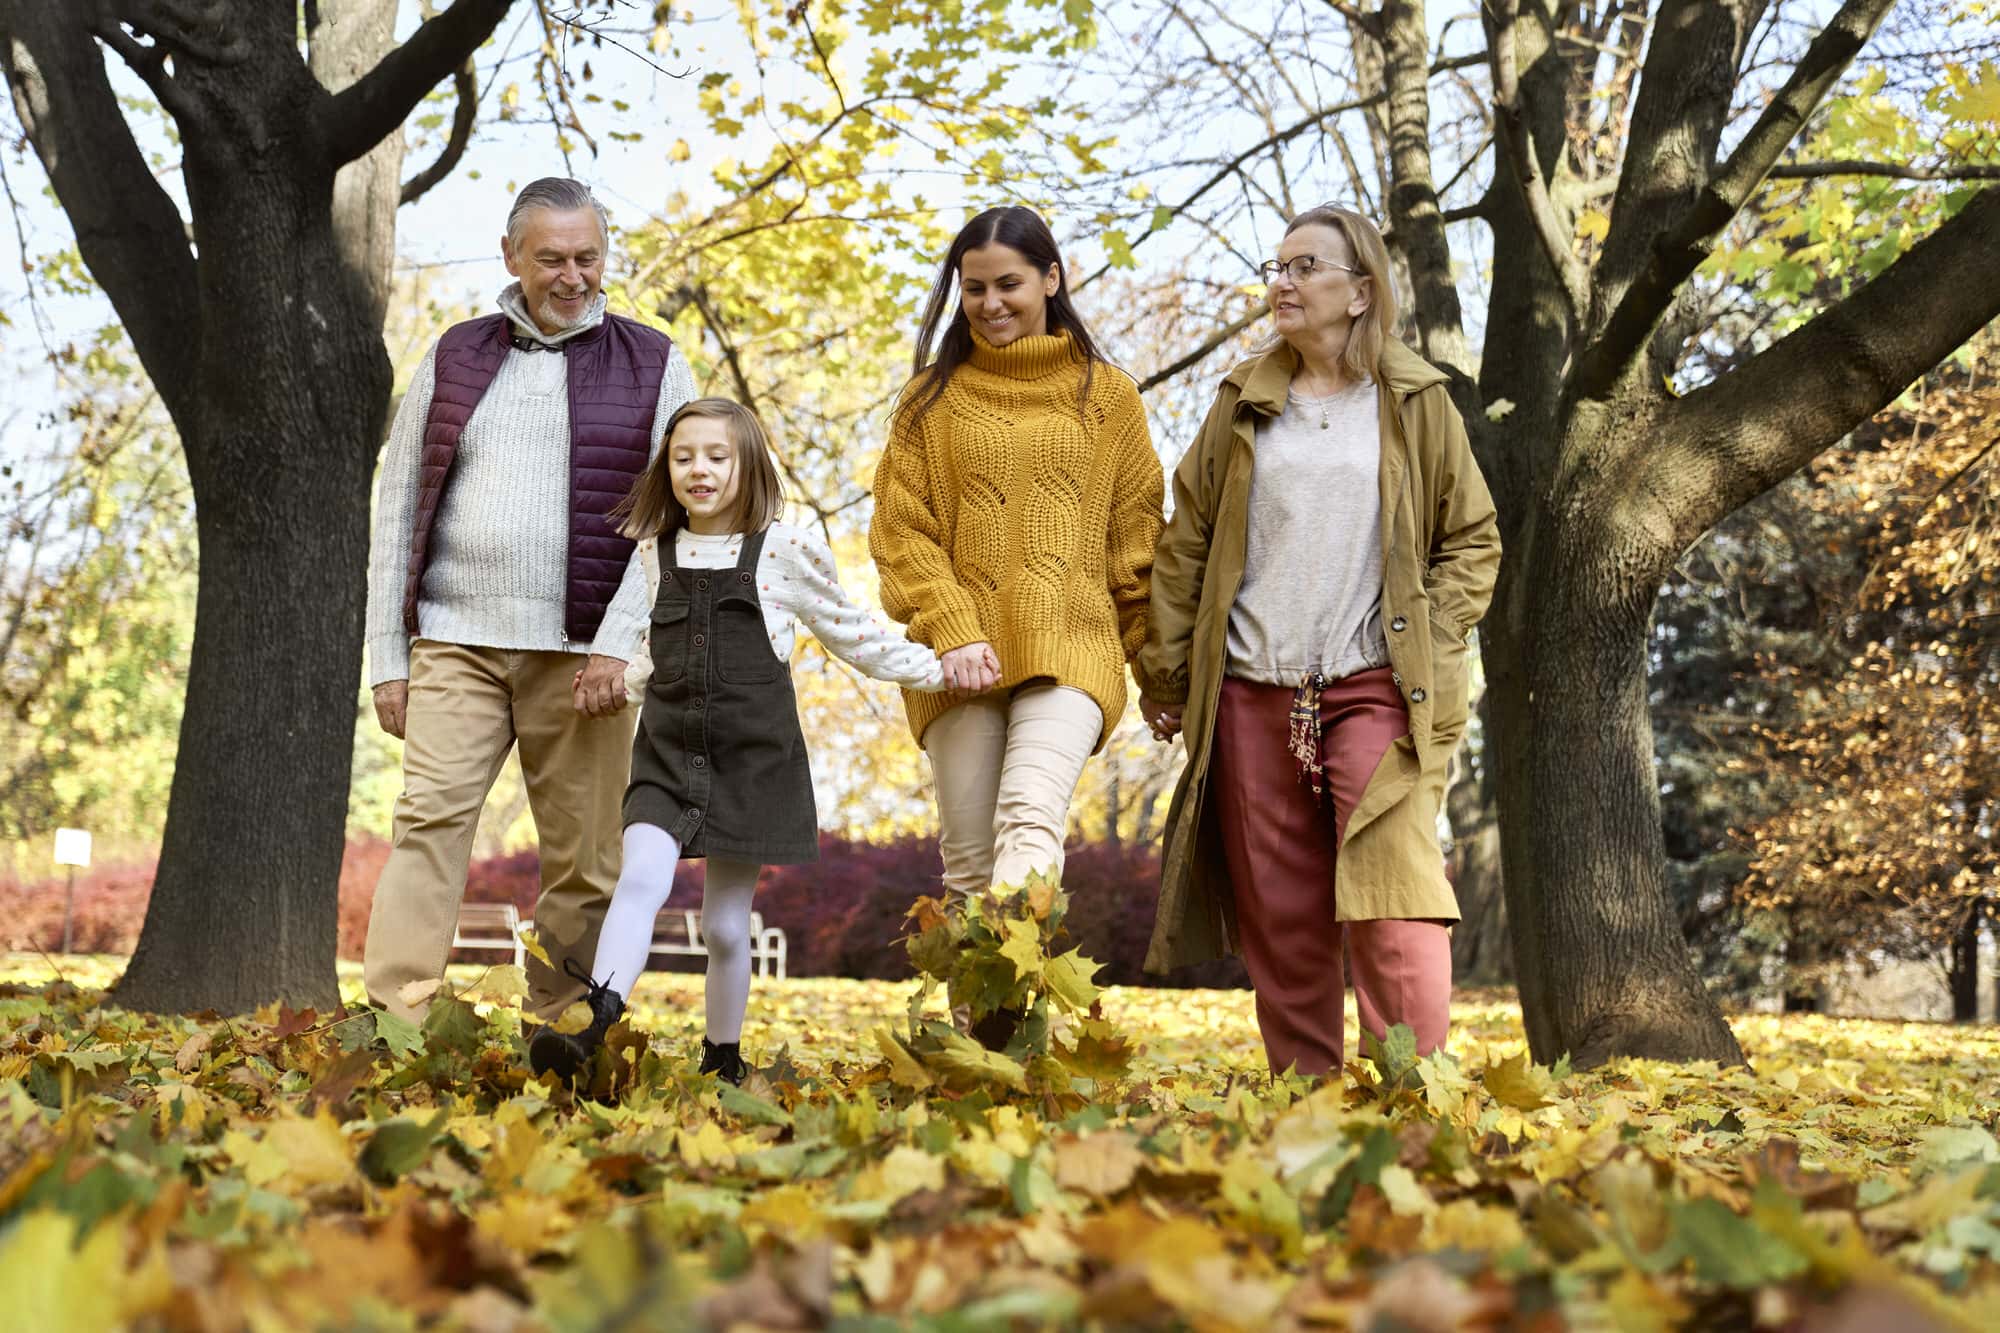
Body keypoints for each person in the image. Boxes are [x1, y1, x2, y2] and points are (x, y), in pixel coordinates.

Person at [1134, 204, 1501, 1077]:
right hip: (1253, 691)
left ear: (1361, 291)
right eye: (1278, 266)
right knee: (1281, 908)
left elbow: (1473, 539)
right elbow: (1186, 542)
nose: (1283, 283)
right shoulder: (1243, 402)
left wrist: (1426, 630)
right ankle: (1306, 1098)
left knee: (1394, 893)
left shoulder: (1414, 403)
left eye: (1306, 267)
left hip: (1374, 684)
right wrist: (1168, 670)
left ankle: (1414, 1091)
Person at [528, 398, 947, 1085]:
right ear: (667, 468)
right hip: (665, 757)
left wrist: (939, 668)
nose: (699, 469)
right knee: (639, 879)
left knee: (724, 924)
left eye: (716, 456)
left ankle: (722, 1055)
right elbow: (660, 653)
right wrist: (615, 686)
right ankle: (593, 1027)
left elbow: (852, 632)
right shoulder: (653, 553)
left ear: (747, 463)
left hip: (750, 764)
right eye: (683, 456)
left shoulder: (784, 550)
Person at [363, 178, 693, 1026]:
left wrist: (621, 643)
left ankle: (561, 1027)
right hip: (454, 640)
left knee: (586, 858)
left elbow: (672, 521)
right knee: (427, 825)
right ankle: (400, 1023)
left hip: (584, 653)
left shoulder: (655, 361)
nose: (572, 275)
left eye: (588, 257)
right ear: (511, 256)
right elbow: (398, 505)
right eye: (552, 258)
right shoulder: (455, 353)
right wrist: (389, 659)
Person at [869, 206, 1164, 941]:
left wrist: (1162, 673)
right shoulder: (927, 402)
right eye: (974, 288)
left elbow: (1135, 551)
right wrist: (955, 632)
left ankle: (1010, 1001)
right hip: (956, 660)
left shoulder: (1110, 400)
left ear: (1051, 279)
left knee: (1030, 817)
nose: (991, 303)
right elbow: (902, 535)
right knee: (968, 865)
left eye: (1009, 284)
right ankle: (979, 1052)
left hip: (1070, 647)